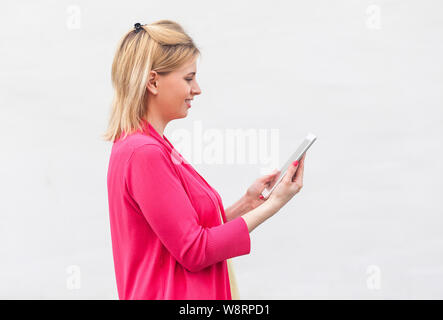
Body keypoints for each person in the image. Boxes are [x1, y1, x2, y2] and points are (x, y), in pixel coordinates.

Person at [104, 20, 307, 300]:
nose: (197, 89)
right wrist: (274, 204)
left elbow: (185, 233)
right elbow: (194, 250)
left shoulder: (148, 146)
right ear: (153, 81)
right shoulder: (144, 153)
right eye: (188, 78)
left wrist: (247, 204)